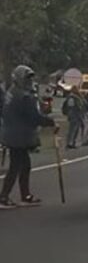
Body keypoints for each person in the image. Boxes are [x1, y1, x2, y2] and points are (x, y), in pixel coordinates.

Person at [0, 65, 56, 209]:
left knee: (23, 165)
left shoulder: (11, 92)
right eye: (27, 78)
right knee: (16, 166)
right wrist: (50, 122)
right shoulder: (24, 96)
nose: (29, 81)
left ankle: (24, 195)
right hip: (18, 135)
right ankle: (4, 197)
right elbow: (34, 117)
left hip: (12, 133)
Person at [61, 85, 86, 149]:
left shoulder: (77, 97)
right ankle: (69, 143)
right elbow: (71, 107)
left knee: (75, 130)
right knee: (72, 130)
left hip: (77, 115)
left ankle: (72, 142)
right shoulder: (72, 97)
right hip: (74, 115)